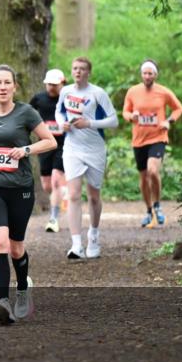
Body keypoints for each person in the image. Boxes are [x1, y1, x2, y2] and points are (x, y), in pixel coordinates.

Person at [0, 65, 57, 325]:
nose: (3, 87)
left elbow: (50, 141)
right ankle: (2, 302)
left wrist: (26, 150)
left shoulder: (26, 113)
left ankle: (22, 292)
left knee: (16, 248)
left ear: (14, 87)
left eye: (7, 82)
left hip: (20, 188)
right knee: (1, 243)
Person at [56, 57, 118, 260]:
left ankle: (93, 235)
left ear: (89, 72)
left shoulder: (97, 93)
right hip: (72, 148)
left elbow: (113, 121)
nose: (78, 72)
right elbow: (59, 111)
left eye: (82, 69)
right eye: (75, 68)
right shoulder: (65, 91)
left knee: (93, 196)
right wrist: (62, 124)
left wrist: (89, 123)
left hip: (95, 149)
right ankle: (76, 245)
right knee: (73, 195)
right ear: (71, 71)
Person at [122, 59, 182, 227]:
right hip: (139, 139)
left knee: (153, 171)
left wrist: (169, 121)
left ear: (155, 75)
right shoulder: (133, 91)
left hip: (158, 137)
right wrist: (131, 117)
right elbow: (125, 111)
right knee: (143, 178)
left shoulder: (164, 92)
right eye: (145, 73)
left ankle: (157, 205)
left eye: (150, 73)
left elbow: (179, 108)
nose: (147, 76)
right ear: (141, 74)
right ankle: (149, 210)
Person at [30, 69, 68, 233]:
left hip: (64, 143)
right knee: (47, 186)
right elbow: (27, 114)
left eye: (55, 84)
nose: (51, 87)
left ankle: (53, 219)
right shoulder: (39, 99)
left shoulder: (68, 99)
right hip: (45, 144)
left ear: (62, 83)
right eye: (49, 84)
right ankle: (61, 193)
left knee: (56, 180)